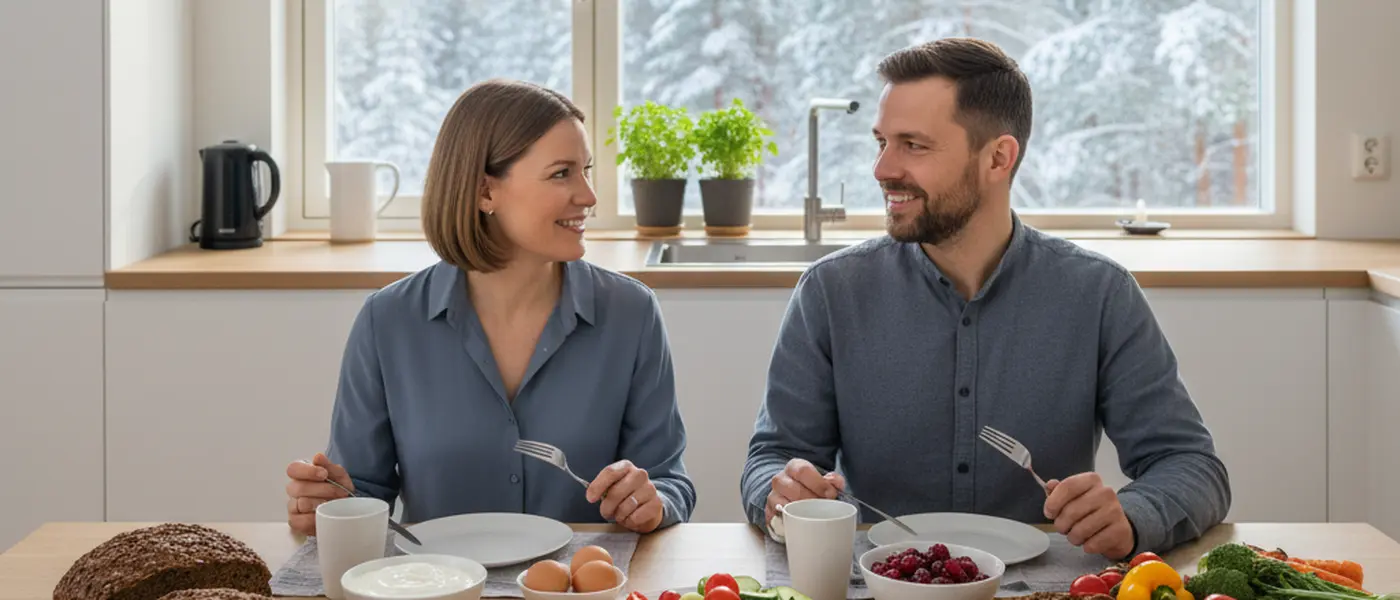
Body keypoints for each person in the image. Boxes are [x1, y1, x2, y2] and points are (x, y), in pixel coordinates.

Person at [740, 38, 1230, 560]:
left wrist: (1134, 515)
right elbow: (773, 459)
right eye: (880, 142)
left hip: (1047, 589)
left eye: (914, 145)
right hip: (876, 582)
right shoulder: (831, 292)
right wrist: (780, 491)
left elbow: (1191, 464)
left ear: (998, 157)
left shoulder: (1098, 294)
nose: (882, 169)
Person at [284, 79, 696, 536]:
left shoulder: (631, 313)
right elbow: (363, 491)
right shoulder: (388, 322)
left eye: (586, 170)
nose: (589, 196)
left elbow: (668, 478)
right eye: (562, 173)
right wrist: (330, 503)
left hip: (579, 586)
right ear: (484, 192)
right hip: (436, 584)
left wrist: (653, 500)